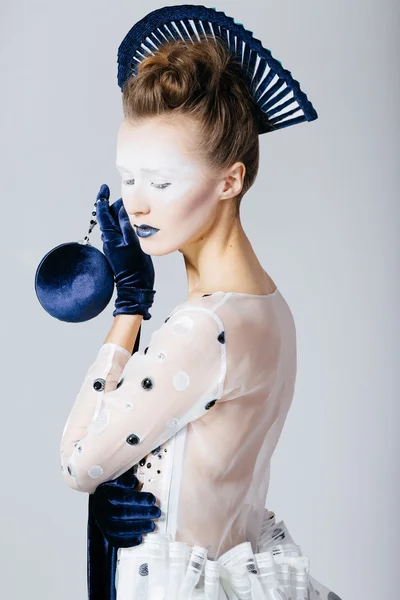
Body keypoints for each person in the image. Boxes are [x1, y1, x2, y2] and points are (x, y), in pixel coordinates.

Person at [60, 22, 342, 600]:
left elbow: (77, 461)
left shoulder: (203, 327)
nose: (135, 202)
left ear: (229, 180)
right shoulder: (267, 305)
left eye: (161, 181)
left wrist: (130, 310)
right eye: (128, 177)